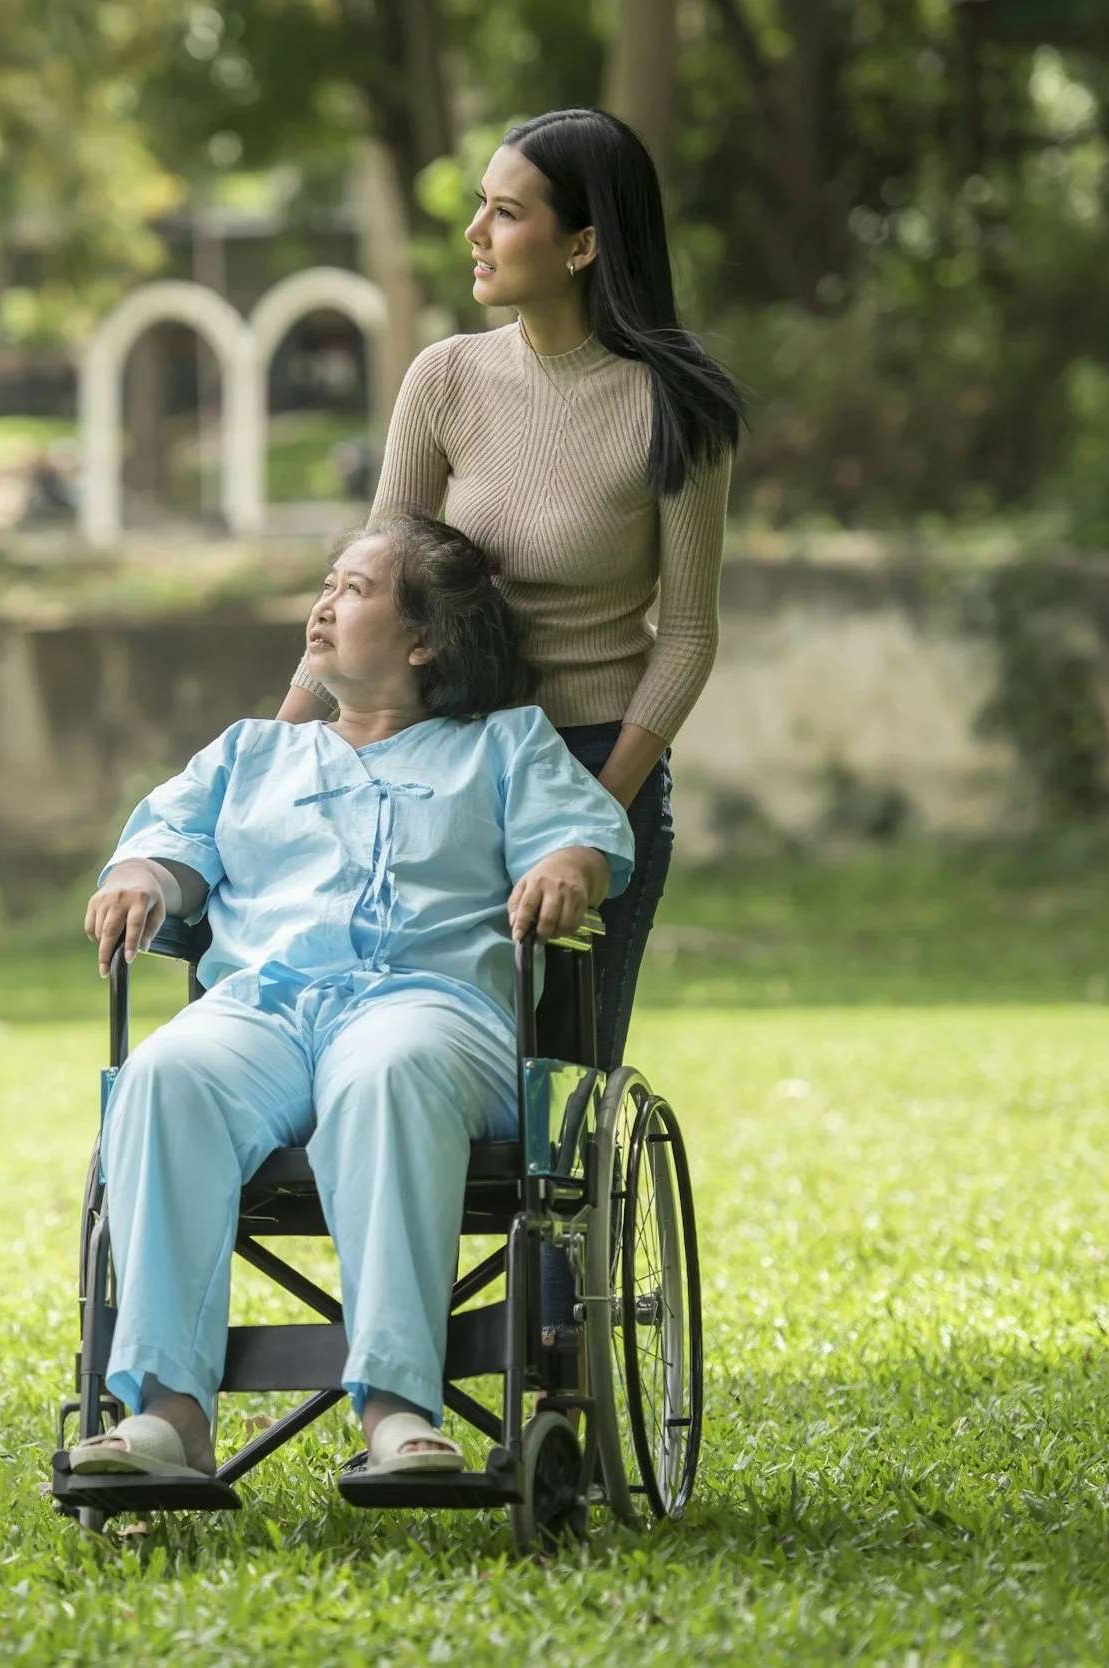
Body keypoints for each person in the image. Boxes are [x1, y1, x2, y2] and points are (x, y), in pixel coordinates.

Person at [69, 512, 636, 1481]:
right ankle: (166, 1415)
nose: (322, 604)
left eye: (354, 589)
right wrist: (142, 880)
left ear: (422, 640)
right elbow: (167, 845)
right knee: (164, 1074)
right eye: (325, 584)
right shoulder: (252, 753)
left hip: (431, 1011)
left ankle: (397, 1410)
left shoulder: (502, 746)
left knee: (387, 1073)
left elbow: (578, 837)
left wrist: (566, 871)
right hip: (263, 1009)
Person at [277, 108, 744, 1075]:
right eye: (479, 208)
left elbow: (689, 635)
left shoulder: (676, 407)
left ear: (582, 245)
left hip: (588, 758)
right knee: (405, 1052)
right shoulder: (447, 377)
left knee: (553, 1091)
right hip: (440, 764)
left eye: (504, 212)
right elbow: (370, 585)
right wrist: (285, 746)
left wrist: (592, 817)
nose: (475, 233)